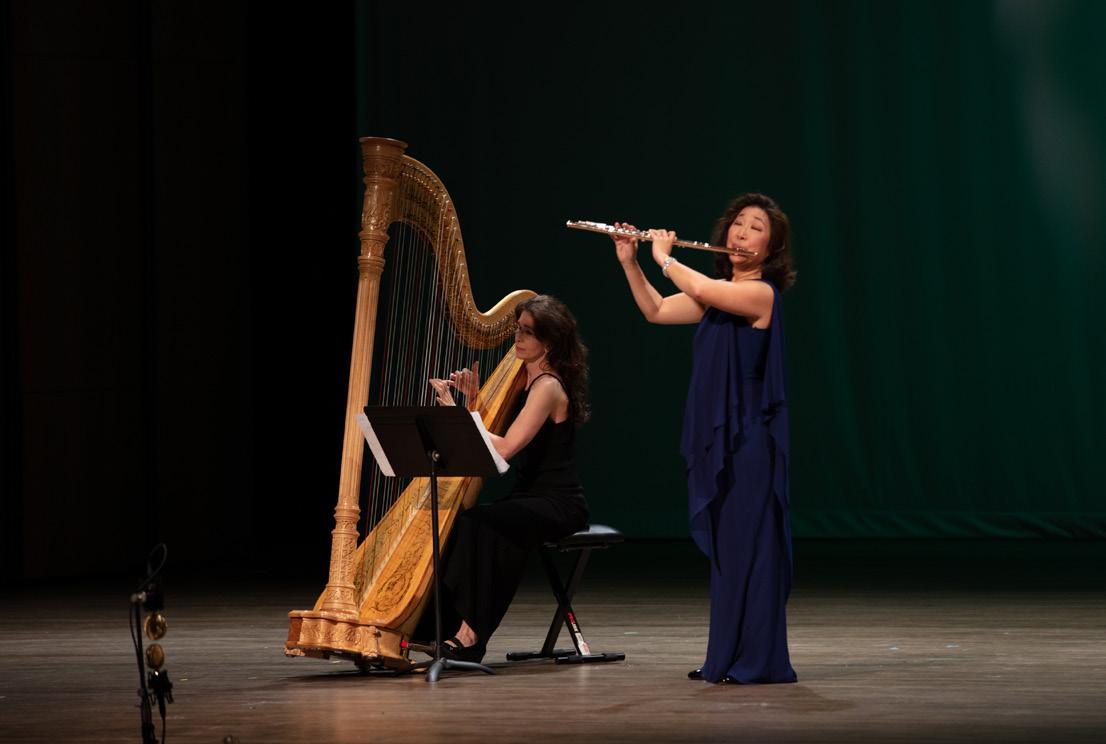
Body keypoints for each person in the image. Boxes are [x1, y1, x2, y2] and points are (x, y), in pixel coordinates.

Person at [613, 193, 798, 684]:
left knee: (750, 548)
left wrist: (664, 257)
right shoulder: (716, 294)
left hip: (750, 440)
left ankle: (757, 661)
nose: (742, 232)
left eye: (756, 227)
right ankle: (725, 657)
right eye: (738, 223)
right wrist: (632, 262)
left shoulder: (761, 295)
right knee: (729, 550)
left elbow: (698, 286)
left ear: (771, 248)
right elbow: (656, 310)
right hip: (723, 438)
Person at [424, 294, 590, 663]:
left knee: (481, 525)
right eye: (517, 329)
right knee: (471, 524)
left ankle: (470, 635)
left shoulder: (547, 386)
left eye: (527, 332)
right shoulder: (522, 377)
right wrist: (472, 399)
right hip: (528, 496)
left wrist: (455, 412)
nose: (517, 337)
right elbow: (494, 432)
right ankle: (448, 628)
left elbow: (504, 448)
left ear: (548, 343)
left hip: (559, 503)